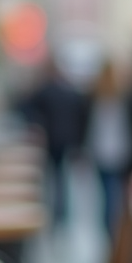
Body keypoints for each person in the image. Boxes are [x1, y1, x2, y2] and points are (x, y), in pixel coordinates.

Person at [18, 60, 87, 233]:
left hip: (51, 139)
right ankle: (62, 215)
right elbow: (80, 119)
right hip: (66, 140)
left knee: (52, 177)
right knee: (61, 178)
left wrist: (37, 125)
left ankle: (53, 213)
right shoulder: (71, 91)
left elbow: (24, 107)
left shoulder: (45, 91)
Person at [84, 59, 132, 247]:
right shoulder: (124, 98)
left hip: (101, 153)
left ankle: (111, 235)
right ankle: (115, 236)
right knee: (116, 197)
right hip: (120, 152)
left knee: (107, 196)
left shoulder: (95, 98)